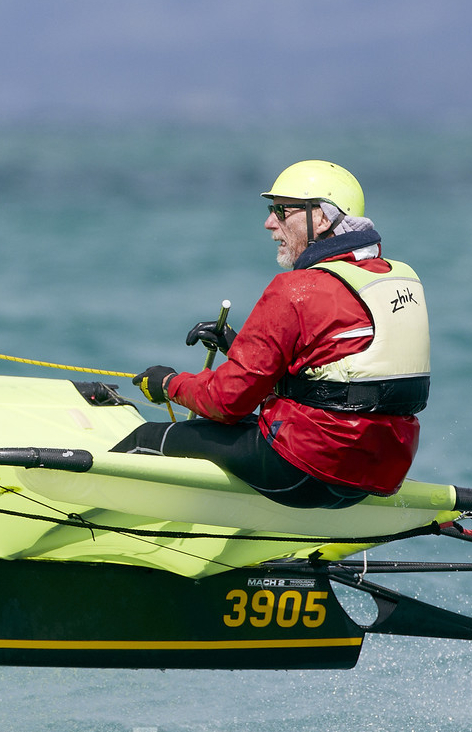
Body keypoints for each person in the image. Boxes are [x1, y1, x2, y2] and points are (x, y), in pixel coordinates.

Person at [117, 160, 430, 509]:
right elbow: (339, 373)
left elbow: (226, 403)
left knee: (145, 439)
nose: (269, 223)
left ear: (322, 219)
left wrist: (169, 384)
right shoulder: (398, 277)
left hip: (306, 472)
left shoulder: (297, 288)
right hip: (379, 475)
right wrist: (239, 347)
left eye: (282, 210)